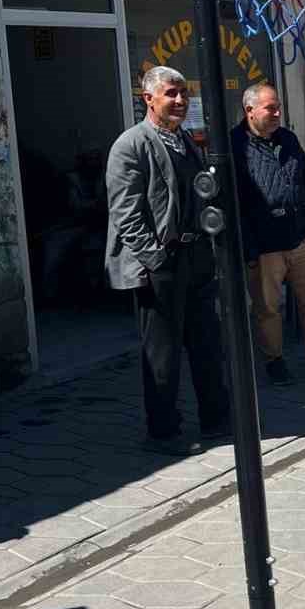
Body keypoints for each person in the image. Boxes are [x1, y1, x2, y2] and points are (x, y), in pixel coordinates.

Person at [105, 66, 230, 456]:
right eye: (171, 94)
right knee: (162, 353)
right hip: (161, 263)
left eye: (183, 94)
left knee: (207, 344)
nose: (179, 101)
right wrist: (155, 257)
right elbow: (125, 213)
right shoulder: (131, 145)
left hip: (196, 258)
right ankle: (162, 433)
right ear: (149, 99)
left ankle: (217, 419)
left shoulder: (185, 141)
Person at [231, 82, 305, 385]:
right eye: (270, 108)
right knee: (268, 307)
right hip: (266, 243)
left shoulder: (288, 138)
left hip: (303, 235)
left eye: (279, 106)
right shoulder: (234, 145)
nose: (277, 113)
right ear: (250, 110)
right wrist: (248, 244)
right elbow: (233, 202)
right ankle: (274, 360)